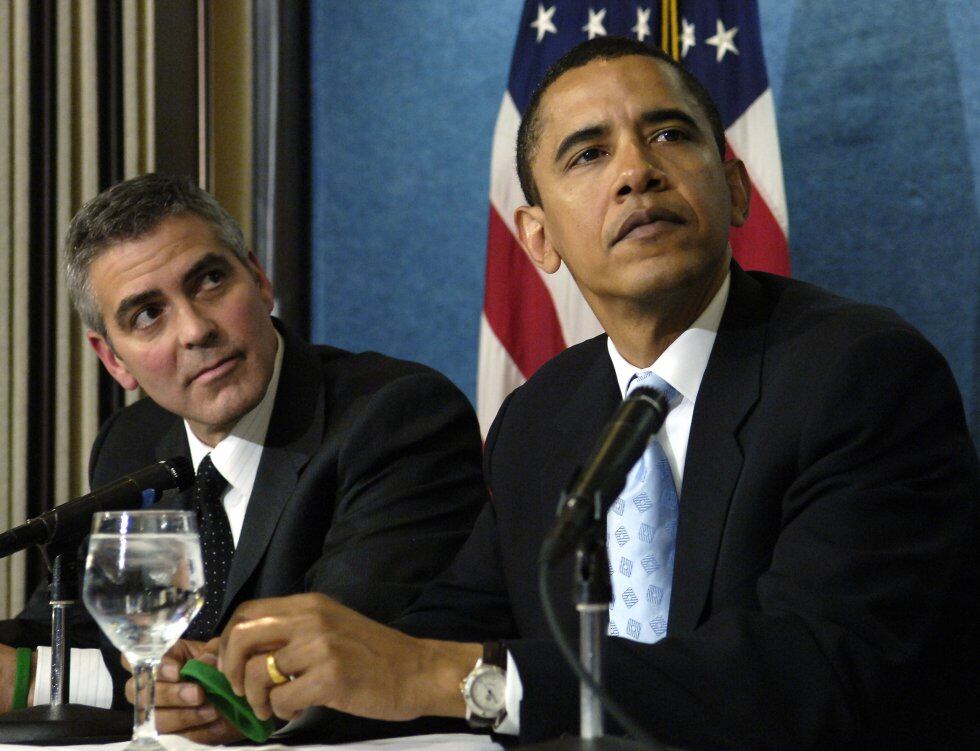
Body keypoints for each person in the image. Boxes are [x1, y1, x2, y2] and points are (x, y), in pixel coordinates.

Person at [208, 37, 979, 750]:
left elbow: (810, 673)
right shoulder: (541, 416)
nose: (636, 170)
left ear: (737, 190)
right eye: (587, 154)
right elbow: (451, 625)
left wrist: (441, 676)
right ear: (537, 237)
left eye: (671, 134)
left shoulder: (859, 373)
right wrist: (273, 689)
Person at [0, 173, 487, 743]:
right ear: (113, 360)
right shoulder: (132, 443)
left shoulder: (395, 418)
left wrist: (42, 682)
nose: (196, 329)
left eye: (208, 281)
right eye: (147, 315)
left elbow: (314, 666)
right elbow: (69, 627)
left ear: (257, 279)